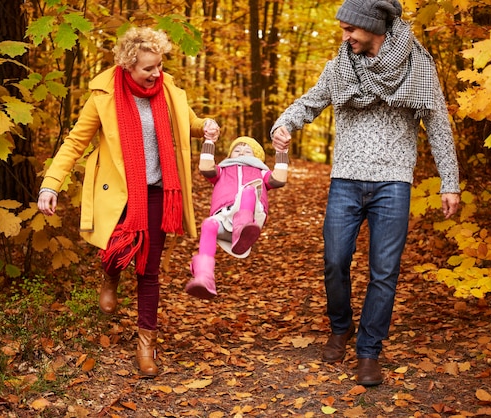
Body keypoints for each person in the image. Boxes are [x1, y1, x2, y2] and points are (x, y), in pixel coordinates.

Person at [271, 0, 460, 386]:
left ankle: (368, 350)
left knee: (384, 273)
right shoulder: (340, 66)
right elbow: (311, 101)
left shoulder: (417, 68)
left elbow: (438, 124)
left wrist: (450, 181)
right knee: (335, 261)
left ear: (373, 27)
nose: (344, 37)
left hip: (393, 183)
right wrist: (285, 123)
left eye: (349, 30)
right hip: (346, 179)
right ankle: (340, 327)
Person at [37, 27, 220, 378]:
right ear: (128, 65)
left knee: (149, 270)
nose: (156, 73)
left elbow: (187, 123)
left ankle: (146, 344)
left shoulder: (168, 89)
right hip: (119, 191)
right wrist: (51, 184)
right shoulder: (104, 95)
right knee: (117, 248)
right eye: (148, 68)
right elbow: (75, 143)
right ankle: (110, 275)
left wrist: (205, 126)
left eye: (160, 65)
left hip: (158, 190)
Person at [185, 136, 289, 299]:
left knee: (248, 191)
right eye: (237, 150)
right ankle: (204, 277)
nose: (242, 152)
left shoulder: (260, 172)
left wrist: (282, 152)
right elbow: (206, 168)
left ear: (257, 157)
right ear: (229, 155)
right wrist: (209, 142)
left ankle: (243, 231)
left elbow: (279, 179)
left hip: (253, 214)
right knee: (208, 224)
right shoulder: (222, 170)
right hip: (225, 217)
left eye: (248, 151)